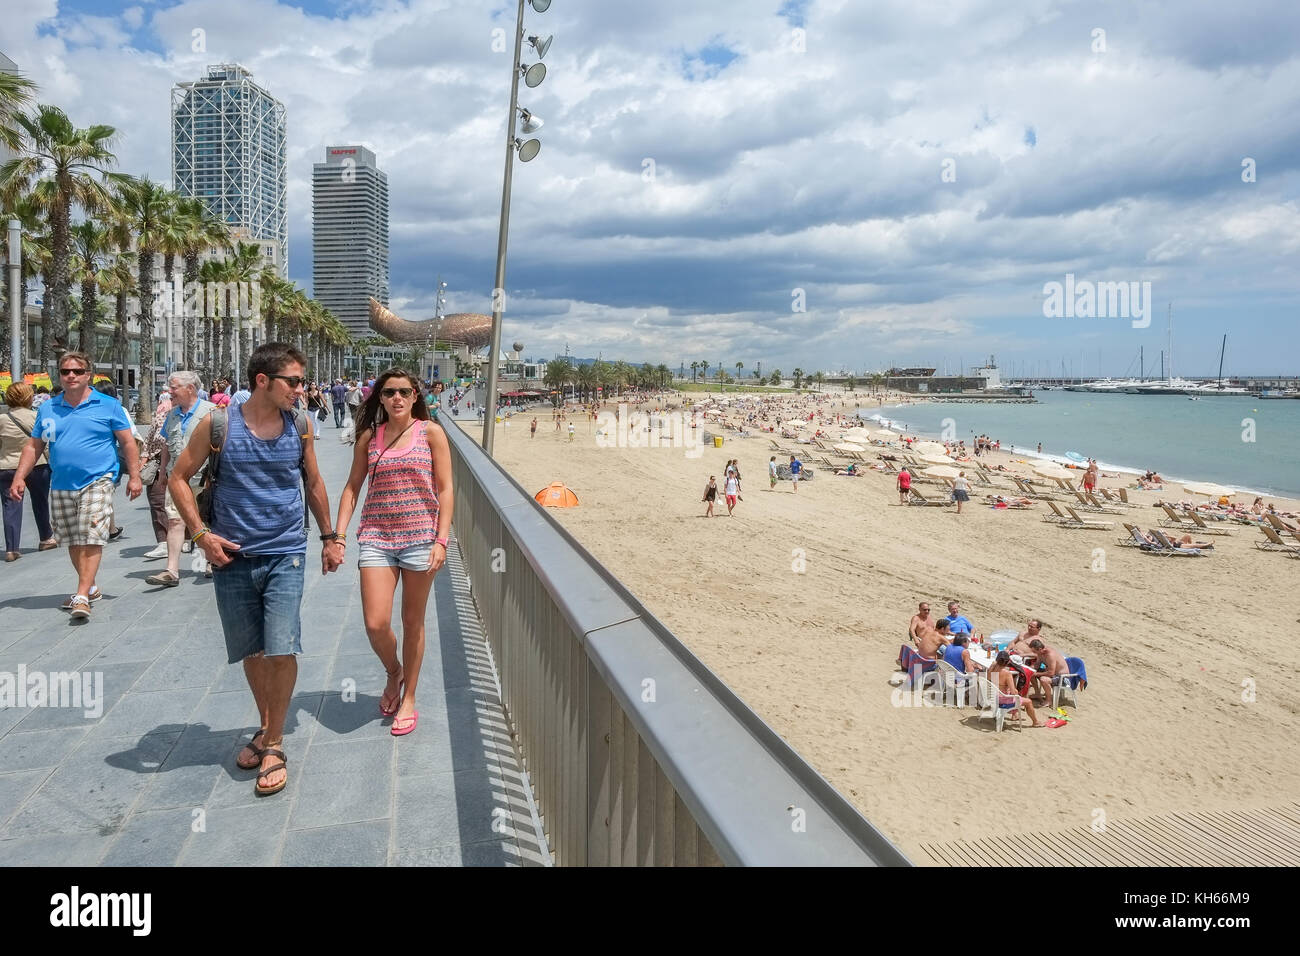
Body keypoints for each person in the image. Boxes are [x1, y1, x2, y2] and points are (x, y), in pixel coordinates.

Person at [168, 343, 341, 796]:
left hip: (287, 551)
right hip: (232, 555)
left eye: (302, 381)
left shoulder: (300, 424)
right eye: (294, 381)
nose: (302, 389)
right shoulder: (219, 424)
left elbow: (314, 480)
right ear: (262, 381)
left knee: (282, 647)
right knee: (253, 651)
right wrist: (202, 535)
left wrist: (330, 537)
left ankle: (276, 743)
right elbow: (177, 477)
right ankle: (266, 727)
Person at [331, 367, 454, 739]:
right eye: (388, 393)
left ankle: (409, 697)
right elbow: (352, 488)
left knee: (413, 622)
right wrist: (338, 536)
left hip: (421, 538)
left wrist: (441, 540)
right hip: (377, 537)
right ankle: (393, 672)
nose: (396, 398)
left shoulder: (431, 433)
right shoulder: (370, 436)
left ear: (415, 395)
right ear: (379, 399)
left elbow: (446, 489)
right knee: (375, 622)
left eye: (403, 391)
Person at [8, 351, 141, 619]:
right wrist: (19, 476)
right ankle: (89, 586)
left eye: (77, 371)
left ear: (88, 374)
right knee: (72, 539)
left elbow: (128, 442)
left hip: (99, 478)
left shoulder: (108, 405)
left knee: (90, 535)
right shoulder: (48, 408)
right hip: (61, 483)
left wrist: (135, 476)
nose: (71, 376)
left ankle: (81, 595)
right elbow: (35, 446)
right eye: (66, 371)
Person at [145, 372, 215, 588]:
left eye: (174, 387)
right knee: (175, 520)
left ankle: (211, 561)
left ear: (190, 389)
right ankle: (171, 570)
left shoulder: (210, 412)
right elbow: (167, 443)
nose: (169, 391)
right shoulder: (173, 413)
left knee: (206, 520)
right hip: (178, 477)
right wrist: (165, 471)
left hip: (204, 477)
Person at [0, 383, 58, 561]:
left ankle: (12, 548)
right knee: (40, 501)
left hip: (7, 466)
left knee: (10, 506)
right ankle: (46, 537)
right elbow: (49, 442)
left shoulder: (2, 419)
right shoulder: (39, 416)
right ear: (29, 397)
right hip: (37, 465)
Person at [140, 389, 175, 558]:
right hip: (158, 463)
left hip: (182, 464)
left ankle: (188, 540)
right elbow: (148, 441)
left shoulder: (191, 415)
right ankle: (163, 542)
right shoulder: (160, 415)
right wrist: (142, 463)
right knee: (157, 501)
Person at [987, 651, 1044, 726]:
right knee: (1028, 701)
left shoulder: (991, 670)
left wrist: (993, 664)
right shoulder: (1007, 674)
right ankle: (1035, 722)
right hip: (1002, 700)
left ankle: (1014, 715)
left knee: (1015, 695)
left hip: (994, 697)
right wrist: (1015, 691)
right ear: (1007, 662)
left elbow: (988, 678)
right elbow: (1013, 693)